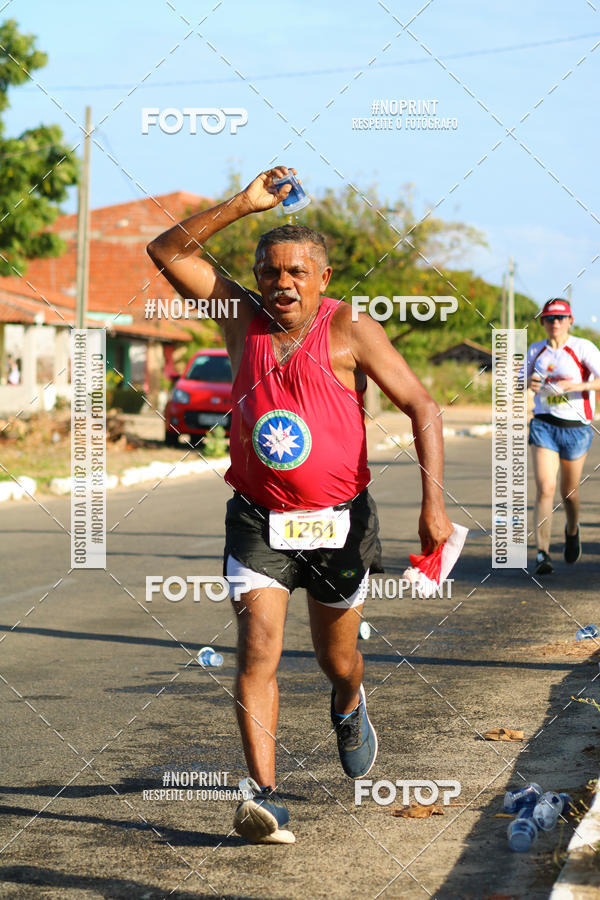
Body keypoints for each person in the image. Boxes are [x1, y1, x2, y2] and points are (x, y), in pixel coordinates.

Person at [147, 166, 453, 843]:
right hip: (257, 517)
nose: (281, 283)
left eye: (295, 272)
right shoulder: (239, 319)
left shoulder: (351, 328)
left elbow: (422, 405)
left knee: (335, 659)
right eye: (269, 272)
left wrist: (434, 506)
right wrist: (243, 205)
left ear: (321, 277)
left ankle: (349, 701)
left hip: (339, 522)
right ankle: (264, 796)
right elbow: (167, 251)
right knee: (258, 649)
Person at [526, 298, 600, 575]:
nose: (554, 323)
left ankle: (571, 529)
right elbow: (519, 381)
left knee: (568, 493)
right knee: (545, 487)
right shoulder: (536, 350)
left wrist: (576, 386)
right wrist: (529, 382)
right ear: (542, 322)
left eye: (560, 318)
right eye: (549, 318)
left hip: (576, 427)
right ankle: (542, 553)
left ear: (570, 320)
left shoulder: (582, 347)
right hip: (544, 423)